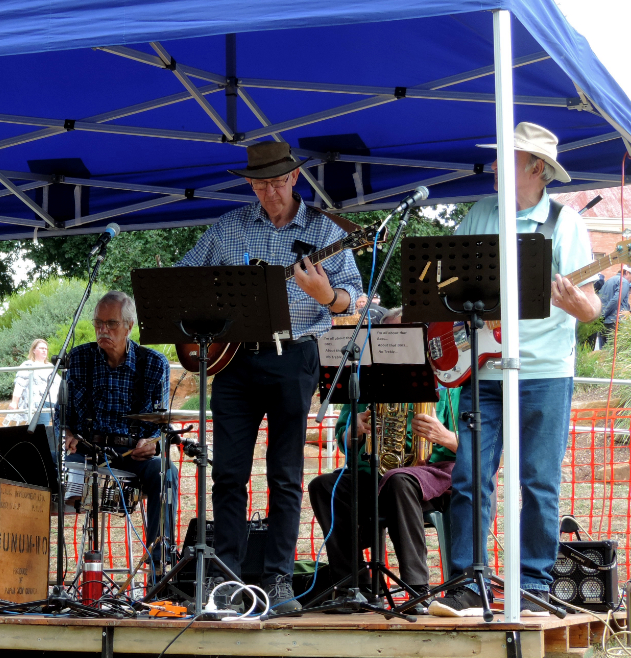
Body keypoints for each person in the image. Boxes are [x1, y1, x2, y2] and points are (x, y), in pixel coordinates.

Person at [176, 141, 362, 612]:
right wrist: (211, 304)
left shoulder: (326, 230)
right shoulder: (230, 227)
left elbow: (356, 298)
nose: (269, 193)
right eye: (259, 185)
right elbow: (182, 277)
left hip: (294, 357)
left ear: (295, 178)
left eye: (277, 183)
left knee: (285, 475)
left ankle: (278, 580)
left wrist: (326, 296)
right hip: (233, 360)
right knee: (228, 475)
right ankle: (228, 580)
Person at [432, 123, 601, 617]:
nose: (494, 166)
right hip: (483, 368)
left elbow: (591, 308)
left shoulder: (565, 223)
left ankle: (533, 585)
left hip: (544, 371)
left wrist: (573, 303)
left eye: (506, 157)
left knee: (538, 482)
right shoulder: (480, 213)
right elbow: (445, 286)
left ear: (536, 168)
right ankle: (467, 583)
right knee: (469, 477)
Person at [308, 387, 459, 614]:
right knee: (323, 486)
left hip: (431, 475)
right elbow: (343, 439)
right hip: (372, 475)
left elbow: (476, 444)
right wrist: (353, 432)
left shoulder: (452, 386)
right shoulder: (364, 384)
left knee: (398, 480)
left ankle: (417, 589)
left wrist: (444, 436)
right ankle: (354, 588)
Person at [63, 291, 173, 572]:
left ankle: (159, 567)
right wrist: (67, 433)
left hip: (131, 454)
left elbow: (162, 425)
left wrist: (153, 443)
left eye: (111, 324)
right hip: (87, 451)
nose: (103, 330)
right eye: (98, 323)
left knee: (165, 472)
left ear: (129, 326)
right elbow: (62, 415)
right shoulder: (79, 358)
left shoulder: (154, 363)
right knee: (42, 474)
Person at [7, 339, 55, 426]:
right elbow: (20, 384)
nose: (44, 350)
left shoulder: (50, 366)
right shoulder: (28, 365)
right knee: (43, 429)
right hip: (38, 403)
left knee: (58, 430)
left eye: (46, 349)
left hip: (53, 402)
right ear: (34, 350)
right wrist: (14, 402)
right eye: (41, 348)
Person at [595, 266, 631, 348]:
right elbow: (616, 300)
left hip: (604, 323)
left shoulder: (609, 281)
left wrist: (601, 317)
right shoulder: (624, 282)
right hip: (615, 322)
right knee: (616, 351)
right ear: (627, 272)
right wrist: (604, 315)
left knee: (603, 351)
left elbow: (600, 299)